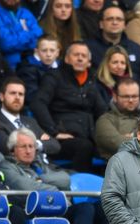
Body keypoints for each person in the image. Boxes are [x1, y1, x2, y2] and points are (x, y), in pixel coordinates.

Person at [30, 41, 107, 172]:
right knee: (84, 146)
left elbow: (102, 111)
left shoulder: (91, 81)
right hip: (62, 138)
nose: (80, 58)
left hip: (89, 135)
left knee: (114, 147)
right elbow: (38, 103)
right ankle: (81, 189)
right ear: (66, 58)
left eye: (84, 56)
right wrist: (54, 132)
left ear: (89, 61)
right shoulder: (54, 77)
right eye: (76, 54)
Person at [0, 77, 61, 159]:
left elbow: (55, 145)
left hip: (46, 167)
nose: (17, 97)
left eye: (21, 94)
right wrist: (39, 142)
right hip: (19, 170)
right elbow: (9, 148)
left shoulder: (30, 121)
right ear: (1, 97)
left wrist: (35, 144)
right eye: (13, 93)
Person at [0, 0, 43, 70]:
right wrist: (29, 35)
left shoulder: (25, 12)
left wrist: (16, 36)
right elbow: (6, 44)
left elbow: (39, 39)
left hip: (32, 64)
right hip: (9, 67)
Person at [16, 35, 61, 105]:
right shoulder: (27, 68)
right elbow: (31, 97)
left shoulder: (62, 68)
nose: (48, 54)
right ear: (36, 52)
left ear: (57, 53)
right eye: (44, 50)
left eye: (52, 51)